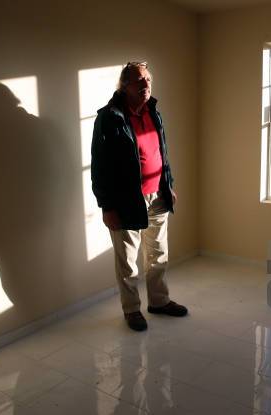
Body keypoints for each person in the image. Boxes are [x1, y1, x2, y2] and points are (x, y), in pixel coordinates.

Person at [91, 61, 187, 331]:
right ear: (124, 86)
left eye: (148, 80)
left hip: (157, 194)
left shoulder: (153, 112)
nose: (146, 85)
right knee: (128, 260)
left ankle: (159, 301)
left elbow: (161, 153)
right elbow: (100, 166)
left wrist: (168, 186)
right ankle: (132, 310)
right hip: (125, 200)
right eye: (139, 81)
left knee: (159, 254)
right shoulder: (109, 118)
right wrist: (107, 206)